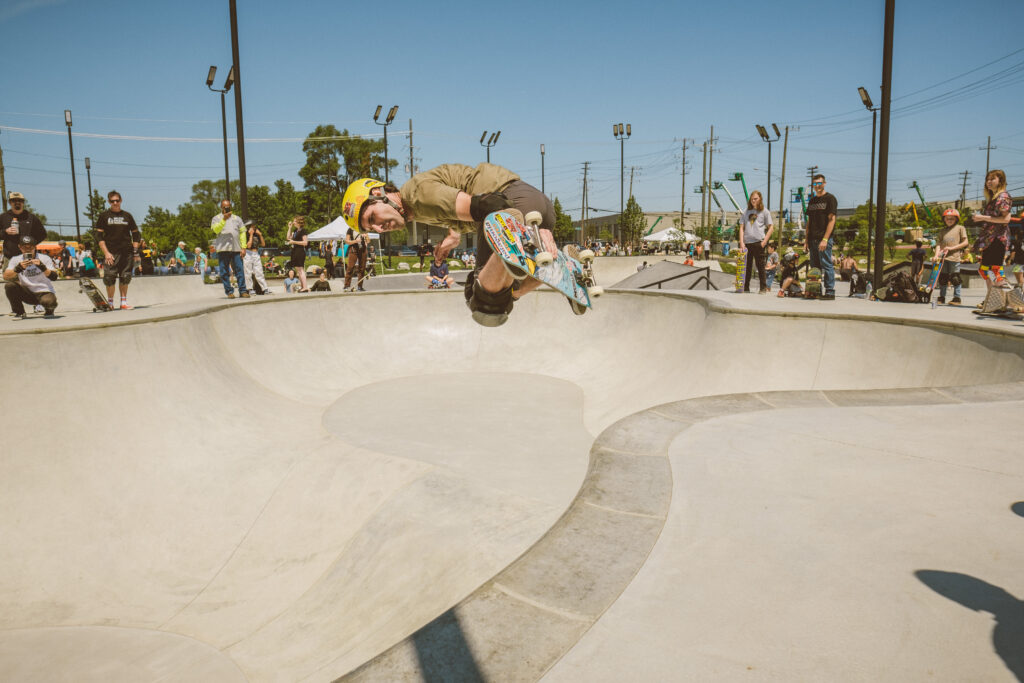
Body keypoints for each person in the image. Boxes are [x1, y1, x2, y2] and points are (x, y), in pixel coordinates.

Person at [341, 163, 556, 327]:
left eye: (372, 218)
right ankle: (551, 263)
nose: (379, 228)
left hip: (514, 202)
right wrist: (452, 239)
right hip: (539, 205)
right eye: (371, 229)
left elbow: (484, 205)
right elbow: (457, 203)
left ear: (378, 194)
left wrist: (520, 229)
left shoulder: (415, 194)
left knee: (483, 298)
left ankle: (527, 238)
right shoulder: (417, 207)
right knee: (507, 291)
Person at [96, 190, 141, 309]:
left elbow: (136, 234)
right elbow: (99, 236)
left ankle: (123, 303)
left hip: (127, 252)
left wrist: (136, 252)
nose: (115, 203)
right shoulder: (104, 216)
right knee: (109, 277)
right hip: (111, 252)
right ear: (109, 202)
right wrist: (106, 253)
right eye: (112, 201)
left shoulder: (127, 216)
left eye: (117, 200)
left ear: (121, 201)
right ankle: (110, 303)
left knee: (125, 276)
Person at [972, 169, 1013, 293]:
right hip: (989, 239)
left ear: (1000, 181)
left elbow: (1006, 219)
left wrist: (982, 217)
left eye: (992, 179)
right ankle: (992, 299)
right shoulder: (993, 198)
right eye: (987, 179)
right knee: (984, 270)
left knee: (996, 270)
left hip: (997, 239)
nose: (988, 182)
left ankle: (1010, 298)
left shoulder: (1003, 196)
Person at [3, 235, 58, 318]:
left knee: (50, 303)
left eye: (30, 247)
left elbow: (54, 277)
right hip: (27, 293)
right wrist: (18, 269)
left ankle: (49, 309)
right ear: (20, 247)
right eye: (24, 247)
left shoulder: (44, 258)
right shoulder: (15, 259)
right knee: (9, 286)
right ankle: (19, 311)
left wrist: (43, 267)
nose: (27, 249)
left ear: (35, 247)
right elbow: (6, 276)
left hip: (43, 292)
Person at [805, 173, 837, 299]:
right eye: (815, 184)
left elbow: (832, 220)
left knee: (826, 264)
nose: (817, 186)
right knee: (815, 267)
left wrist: (825, 239)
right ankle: (815, 290)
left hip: (823, 239)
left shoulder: (830, 199)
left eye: (819, 183)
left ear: (824, 183)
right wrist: (806, 240)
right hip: (812, 238)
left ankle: (830, 291)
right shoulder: (812, 201)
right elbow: (809, 222)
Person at [1, 191, 47, 274]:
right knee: (11, 284)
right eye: (14, 200)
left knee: (29, 283)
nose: (17, 202)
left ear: (23, 202)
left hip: (28, 257)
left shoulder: (31, 217)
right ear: (10, 202)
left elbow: (43, 234)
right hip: (10, 256)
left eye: (20, 200)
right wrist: (5, 231)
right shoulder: (3, 217)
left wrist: (31, 244)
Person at [211, 199, 248, 299]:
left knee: (239, 270)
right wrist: (224, 219)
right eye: (224, 207)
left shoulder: (237, 218)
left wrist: (243, 247)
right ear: (221, 208)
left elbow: (243, 232)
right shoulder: (216, 218)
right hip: (223, 249)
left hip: (236, 249)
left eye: (228, 207)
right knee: (224, 271)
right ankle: (229, 292)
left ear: (230, 207)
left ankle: (243, 291)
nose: (226, 208)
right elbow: (216, 230)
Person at [739, 190, 774, 294]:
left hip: (759, 242)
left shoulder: (765, 211)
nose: (753, 201)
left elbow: (771, 227)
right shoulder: (746, 212)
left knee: (760, 266)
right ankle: (746, 287)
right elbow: (741, 227)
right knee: (747, 266)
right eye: (752, 199)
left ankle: (763, 288)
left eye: (756, 199)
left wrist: (764, 242)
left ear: (760, 199)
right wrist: (742, 243)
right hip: (747, 243)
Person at [935, 207, 969, 305]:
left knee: (955, 278)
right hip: (943, 258)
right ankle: (942, 297)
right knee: (943, 278)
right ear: (944, 219)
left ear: (956, 219)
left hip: (954, 257)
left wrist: (952, 248)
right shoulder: (942, 231)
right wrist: (936, 255)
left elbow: (965, 242)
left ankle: (957, 298)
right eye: (947, 218)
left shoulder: (960, 228)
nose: (949, 220)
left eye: (952, 218)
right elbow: (938, 245)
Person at [243, 220, 271, 294]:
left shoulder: (257, 234)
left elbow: (263, 244)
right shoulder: (246, 234)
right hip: (248, 253)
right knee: (248, 272)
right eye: (252, 225)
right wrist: (251, 235)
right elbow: (248, 245)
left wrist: (260, 235)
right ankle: (249, 288)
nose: (254, 227)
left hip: (256, 253)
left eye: (254, 225)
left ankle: (265, 288)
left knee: (259, 271)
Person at [285, 216, 310, 292]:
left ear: (299, 222)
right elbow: (288, 237)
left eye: (295, 221)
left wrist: (294, 242)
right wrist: (290, 227)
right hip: (295, 251)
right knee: (298, 270)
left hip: (300, 251)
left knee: (301, 269)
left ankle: (305, 287)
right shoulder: (296, 231)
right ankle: (303, 287)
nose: (293, 222)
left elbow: (305, 243)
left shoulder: (303, 231)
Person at [343, 223, 369, 292]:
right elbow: (347, 241)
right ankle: (346, 285)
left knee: (362, 268)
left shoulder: (364, 229)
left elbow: (368, 241)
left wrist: (366, 236)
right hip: (353, 249)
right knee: (350, 267)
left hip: (363, 250)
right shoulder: (350, 229)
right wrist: (355, 241)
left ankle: (360, 286)